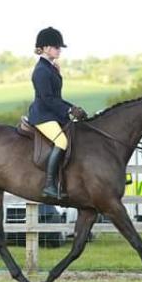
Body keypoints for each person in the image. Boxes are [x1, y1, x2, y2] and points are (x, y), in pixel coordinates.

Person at [27, 27, 87, 199]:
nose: (59, 50)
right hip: (43, 115)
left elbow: (57, 97)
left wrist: (73, 108)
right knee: (61, 141)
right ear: (45, 48)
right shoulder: (41, 71)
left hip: (52, 113)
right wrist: (68, 110)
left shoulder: (51, 68)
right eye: (56, 47)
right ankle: (49, 185)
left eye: (59, 47)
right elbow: (47, 99)